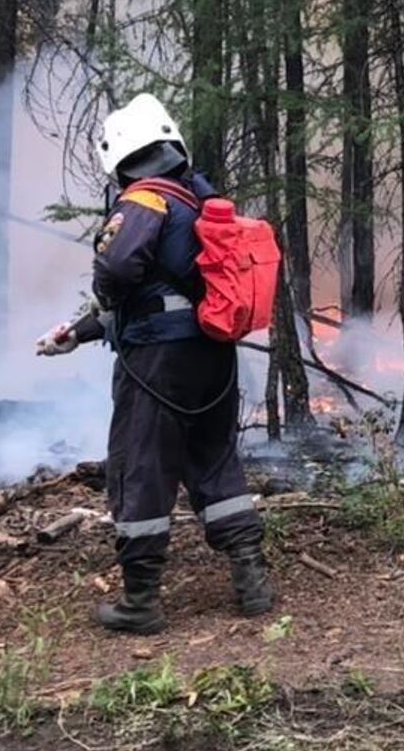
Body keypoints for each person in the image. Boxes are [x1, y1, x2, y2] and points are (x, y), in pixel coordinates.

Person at [34, 93, 274, 634]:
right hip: (211, 355)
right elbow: (164, 291)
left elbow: (119, 271)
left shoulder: (144, 199)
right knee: (213, 460)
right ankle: (252, 579)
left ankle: (140, 601)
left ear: (119, 155)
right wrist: (78, 333)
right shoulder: (193, 202)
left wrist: (100, 283)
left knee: (140, 463)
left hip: (158, 363)